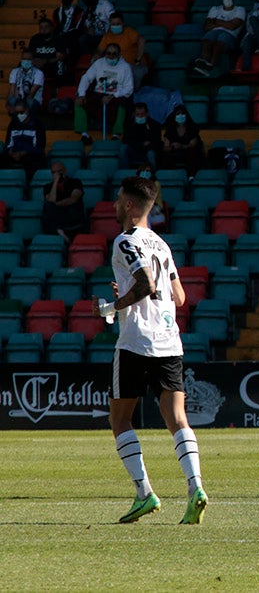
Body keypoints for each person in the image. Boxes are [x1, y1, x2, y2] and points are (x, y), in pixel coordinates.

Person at [91, 176, 207, 525]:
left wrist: (114, 305)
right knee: (178, 419)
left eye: (116, 199)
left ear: (129, 205)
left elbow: (146, 284)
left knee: (120, 418)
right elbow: (181, 297)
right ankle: (195, 488)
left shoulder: (125, 241)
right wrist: (127, 291)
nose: (113, 205)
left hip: (136, 340)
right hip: (169, 340)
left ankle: (144, 493)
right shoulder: (162, 244)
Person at [75, 42, 134, 145]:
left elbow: (129, 88)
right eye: (108, 53)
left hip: (116, 95)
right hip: (99, 93)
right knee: (79, 102)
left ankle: (116, 135)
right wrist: (81, 94)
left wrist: (112, 96)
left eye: (114, 54)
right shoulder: (98, 63)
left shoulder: (125, 67)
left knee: (122, 104)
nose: (111, 56)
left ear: (119, 54)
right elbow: (86, 78)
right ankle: (84, 135)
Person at [194, 0, 246, 76]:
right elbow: (207, 27)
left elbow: (233, 26)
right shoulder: (215, 9)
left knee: (219, 42)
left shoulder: (240, 9)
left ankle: (211, 67)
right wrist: (227, 23)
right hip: (215, 32)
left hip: (230, 35)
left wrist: (215, 21)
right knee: (207, 40)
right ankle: (205, 64)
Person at [95, 12, 147, 87]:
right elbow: (99, 50)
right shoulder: (108, 35)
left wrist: (138, 59)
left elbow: (142, 41)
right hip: (116, 68)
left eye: (118, 24)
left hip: (133, 66)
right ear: (110, 24)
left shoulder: (129, 32)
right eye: (113, 24)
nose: (115, 26)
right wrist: (97, 56)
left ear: (123, 23)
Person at [42, 162, 85, 241]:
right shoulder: (47, 187)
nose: (57, 174)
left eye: (59, 171)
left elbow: (73, 199)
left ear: (64, 171)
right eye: (54, 172)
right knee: (48, 207)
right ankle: (60, 232)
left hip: (71, 213)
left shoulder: (75, 182)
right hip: (57, 215)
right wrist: (55, 182)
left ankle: (59, 230)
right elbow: (50, 202)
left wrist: (56, 205)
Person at [3, 99, 46, 175]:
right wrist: (10, 152)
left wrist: (23, 153)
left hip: (31, 155)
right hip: (14, 155)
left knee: (32, 161)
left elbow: (39, 146)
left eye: (21, 112)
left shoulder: (37, 124)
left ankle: (28, 185)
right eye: (17, 113)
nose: (19, 115)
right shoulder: (13, 124)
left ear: (27, 110)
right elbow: (8, 143)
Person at [161, 105, 205, 176]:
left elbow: (192, 144)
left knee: (192, 152)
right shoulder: (170, 130)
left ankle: (191, 176)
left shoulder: (192, 128)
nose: (180, 116)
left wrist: (182, 146)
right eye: (178, 114)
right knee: (166, 155)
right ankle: (170, 175)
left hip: (188, 152)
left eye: (182, 114)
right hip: (175, 153)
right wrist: (171, 147)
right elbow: (166, 146)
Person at [29, 18, 71, 86]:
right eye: (41, 27)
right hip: (38, 64)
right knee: (24, 63)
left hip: (52, 64)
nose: (43, 29)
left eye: (46, 27)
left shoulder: (58, 39)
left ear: (52, 28)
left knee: (60, 64)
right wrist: (35, 61)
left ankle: (57, 89)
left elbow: (61, 57)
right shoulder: (35, 39)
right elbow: (29, 54)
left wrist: (46, 61)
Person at [120, 102, 162, 169]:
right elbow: (126, 140)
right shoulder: (129, 125)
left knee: (151, 153)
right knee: (123, 148)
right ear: (134, 114)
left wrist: (146, 145)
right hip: (134, 150)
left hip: (148, 151)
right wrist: (142, 144)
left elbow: (156, 142)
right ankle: (124, 172)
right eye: (137, 114)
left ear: (147, 114)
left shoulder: (155, 125)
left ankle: (153, 174)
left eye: (142, 114)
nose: (140, 116)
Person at [7, 49, 44, 114]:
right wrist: (9, 104)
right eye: (24, 59)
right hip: (18, 99)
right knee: (11, 101)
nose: (26, 61)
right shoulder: (15, 71)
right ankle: (16, 121)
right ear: (21, 59)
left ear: (33, 60)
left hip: (33, 100)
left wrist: (20, 107)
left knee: (28, 102)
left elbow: (31, 94)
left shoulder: (39, 73)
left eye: (29, 59)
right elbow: (12, 92)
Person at [136, 164, 169, 232]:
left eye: (148, 171)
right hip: (142, 211)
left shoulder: (156, 184)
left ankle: (146, 233)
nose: (145, 172)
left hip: (156, 212)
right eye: (143, 171)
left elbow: (149, 198)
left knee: (145, 211)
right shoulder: (136, 185)